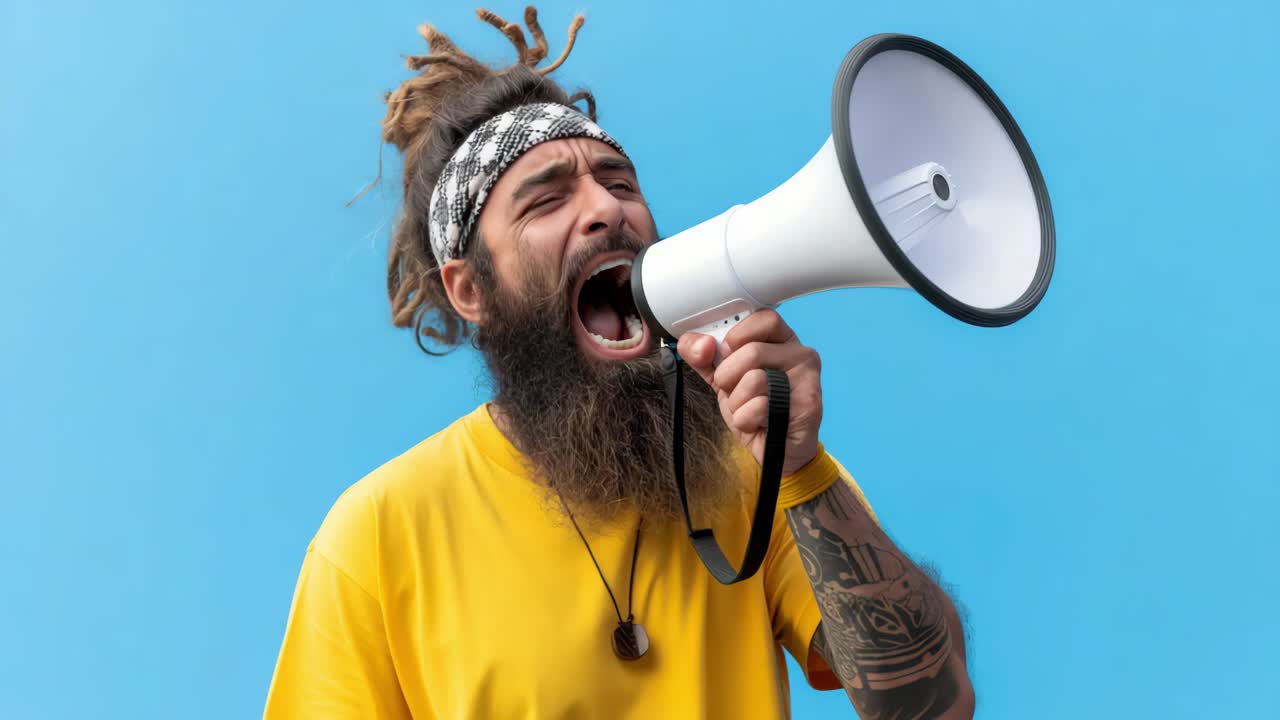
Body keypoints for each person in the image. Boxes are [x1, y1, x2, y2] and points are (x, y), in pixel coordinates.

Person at [265, 7, 975, 719]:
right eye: (546, 199)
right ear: (471, 290)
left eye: (621, 184)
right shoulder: (377, 536)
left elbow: (934, 706)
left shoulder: (750, 466)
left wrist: (799, 470)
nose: (607, 209)